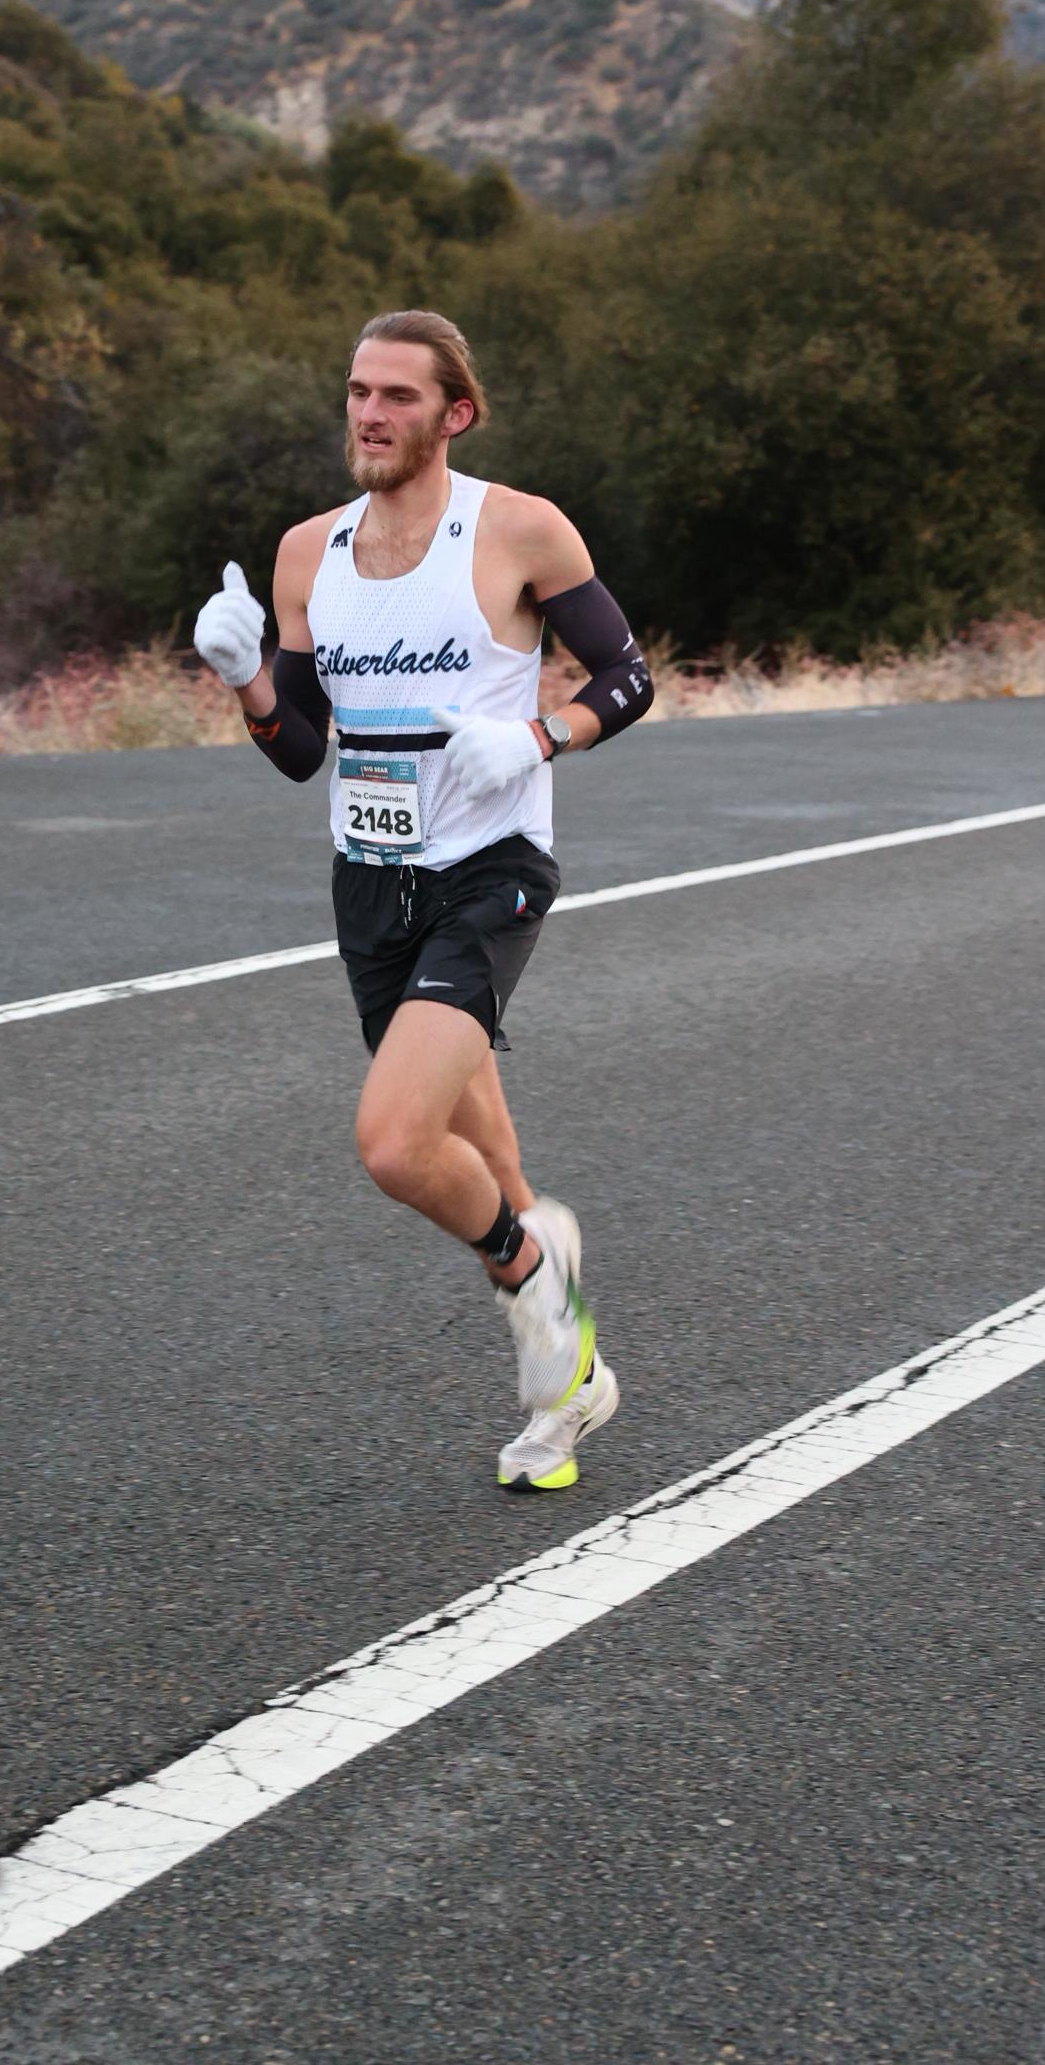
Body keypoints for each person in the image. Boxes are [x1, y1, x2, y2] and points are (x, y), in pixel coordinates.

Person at [193, 308, 654, 1489]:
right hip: (371, 880)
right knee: (481, 1149)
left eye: (397, 395)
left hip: (491, 868)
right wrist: (246, 679)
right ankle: (570, 1386)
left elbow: (629, 675)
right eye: (358, 391)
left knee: (398, 1145)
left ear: (455, 413)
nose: (369, 414)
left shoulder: (518, 529)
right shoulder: (309, 553)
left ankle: (533, 1282)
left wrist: (540, 737)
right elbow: (302, 749)